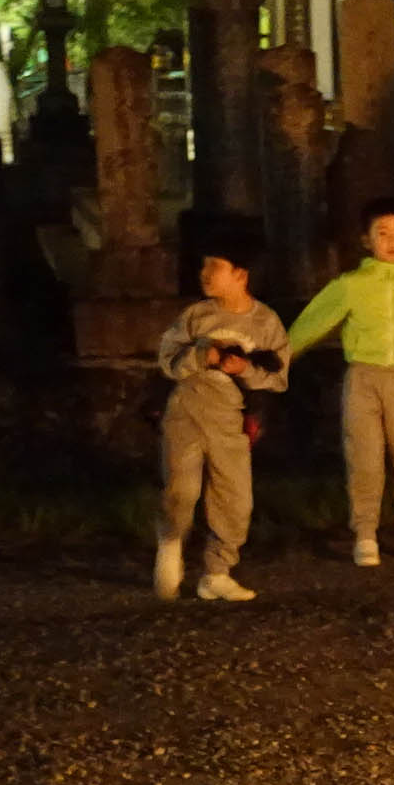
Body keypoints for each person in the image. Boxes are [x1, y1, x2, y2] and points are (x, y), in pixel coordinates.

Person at [288, 197, 394, 566]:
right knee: (365, 458)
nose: (392, 241)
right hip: (364, 377)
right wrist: (283, 355)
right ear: (367, 240)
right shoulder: (352, 284)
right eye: (382, 233)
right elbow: (313, 320)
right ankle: (365, 533)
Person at [153, 241, 290, 600]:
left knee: (234, 499)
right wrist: (202, 355)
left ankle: (217, 571)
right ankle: (170, 544)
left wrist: (244, 369)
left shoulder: (266, 322)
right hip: (187, 410)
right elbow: (167, 360)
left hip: (231, 420)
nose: (204, 275)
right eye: (203, 266)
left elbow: (278, 378)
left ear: (240, 275)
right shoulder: (196, 316)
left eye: (213, 267)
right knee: (181, 490)